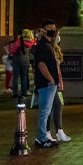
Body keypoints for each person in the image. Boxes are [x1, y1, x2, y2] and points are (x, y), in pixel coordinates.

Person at [32, 20, 61, 148]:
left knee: (47, 111)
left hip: (49, 83)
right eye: (50, 28)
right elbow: (41, 64)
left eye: (54, 28)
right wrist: (51, 80)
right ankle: (42, 138)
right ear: (43, 30)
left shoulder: (48, 44)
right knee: (45, 112)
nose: (53, 30)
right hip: (46, 84)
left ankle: (42, 137)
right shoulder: (43, 46)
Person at [46, 28, 70, 142]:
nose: (58, 37)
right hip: (50, 82)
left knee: (57, 105)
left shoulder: (56, 49)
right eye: (57, 35)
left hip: (56, 80)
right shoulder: (49, 49)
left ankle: (58, 131)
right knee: (52, 106)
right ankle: (48, 132)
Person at [8, 29, 35, 98]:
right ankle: (24, 93)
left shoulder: (19, 41)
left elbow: (12, 50)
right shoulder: (31, 42)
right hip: (26, 60)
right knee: (24, 77)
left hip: (17, 60)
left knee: (16, 77)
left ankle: (15, 93)